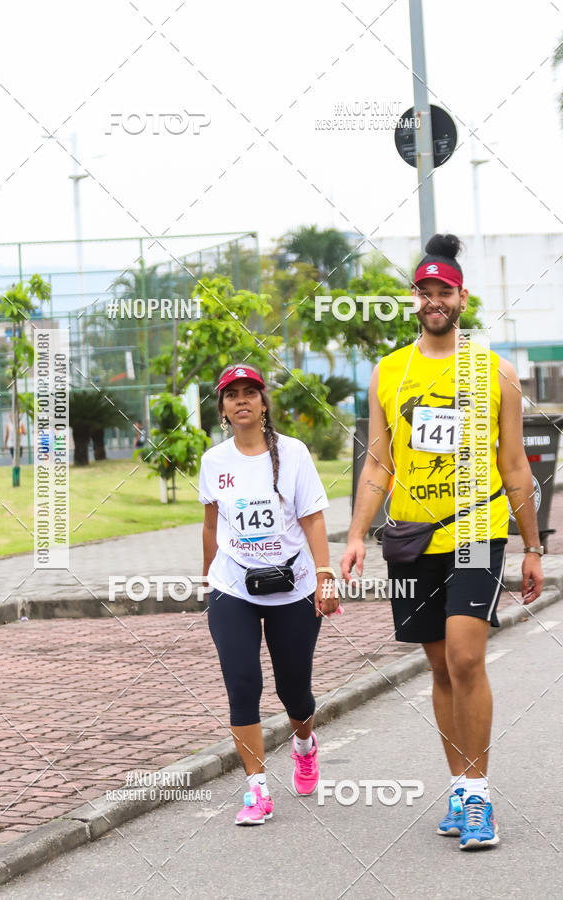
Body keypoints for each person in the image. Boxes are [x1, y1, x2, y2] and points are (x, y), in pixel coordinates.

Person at [341, 234, 543, 850]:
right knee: (437, 666)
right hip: (409, 539)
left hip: (476, 532)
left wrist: (533, 545)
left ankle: (479, 797)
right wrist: (353, 536)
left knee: (465, 656)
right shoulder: (389, 372)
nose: (434, 300)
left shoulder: (493, 371)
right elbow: (378, 463)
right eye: (425, 291)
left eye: (444, 291)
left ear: (461, 297)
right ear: (415, 298)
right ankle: (458, 785)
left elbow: (514, 465)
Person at [199, 364, 339, 826]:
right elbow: (210, 524)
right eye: (231, 394)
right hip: (233, 586)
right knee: (243, 685)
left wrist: (325, 576)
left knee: (293, 690)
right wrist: (207, 582)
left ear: (263, 403)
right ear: (222, 407)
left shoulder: (293, 454)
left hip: (293, 585)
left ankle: (304, 745)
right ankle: (256, 790)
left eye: (250, 393)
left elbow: (313, 518)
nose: (241, 400)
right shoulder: (214, 461)